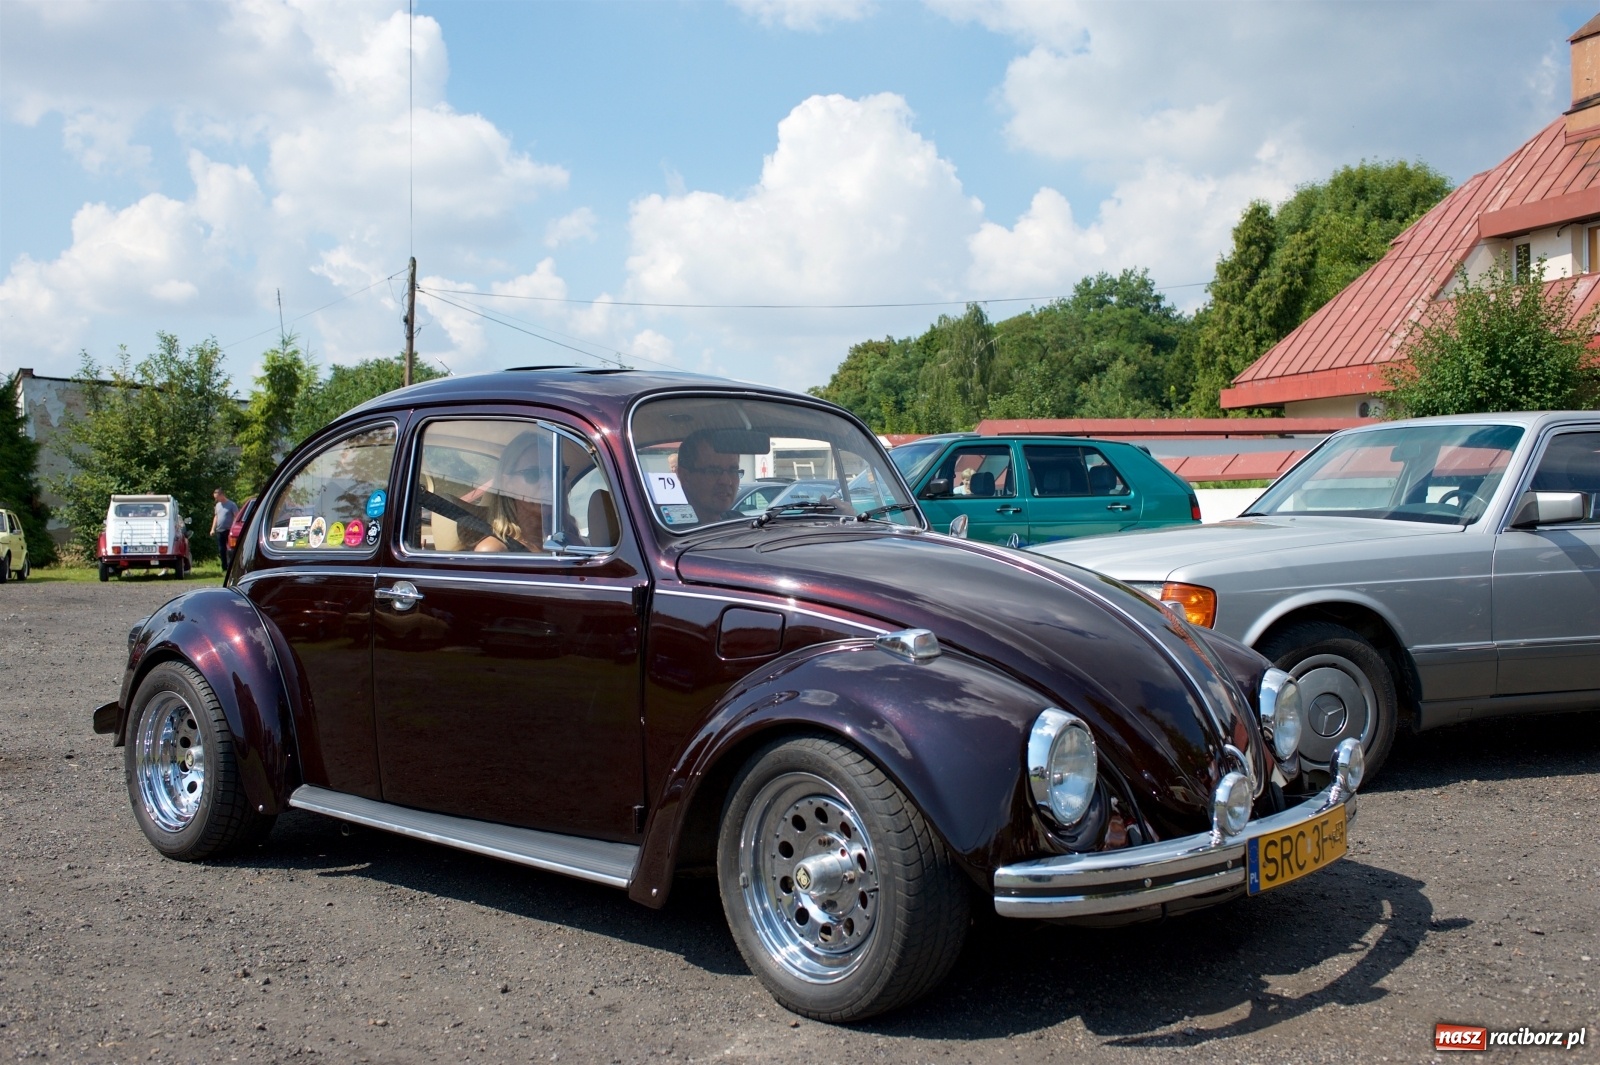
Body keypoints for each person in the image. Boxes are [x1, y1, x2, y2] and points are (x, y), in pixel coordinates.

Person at [475, 431, 580, 553]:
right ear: (508, 484)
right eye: (533, 474)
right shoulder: (494, 550)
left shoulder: (570, 543)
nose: (548, 483)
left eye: (555, 473)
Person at [677, 430, 747, 524]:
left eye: (733, 471)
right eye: (713, 471)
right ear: (685, 476)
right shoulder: (661, 532)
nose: (726, 481)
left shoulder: (741, 524)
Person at [210, 489, 238, 569]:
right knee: (221, 549)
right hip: (219, 530)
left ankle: (231, 565)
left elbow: (236, 516)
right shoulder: (218, 505)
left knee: (230, 549)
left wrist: (234, 528)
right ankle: (224, 567)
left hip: (229, 530)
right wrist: (212, 529)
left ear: (222, 495)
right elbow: (216, 517)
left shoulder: (232, 504)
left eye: (217, 497)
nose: (216, 499)